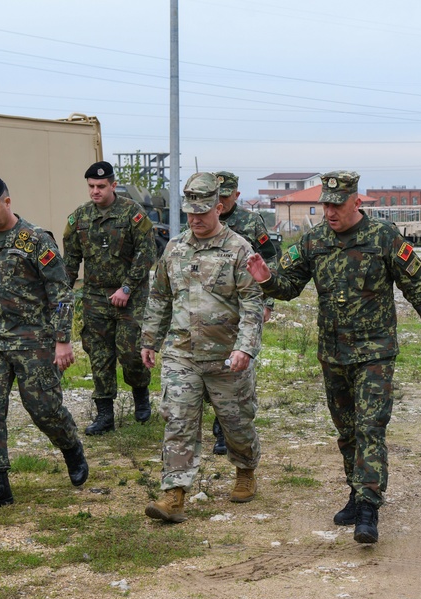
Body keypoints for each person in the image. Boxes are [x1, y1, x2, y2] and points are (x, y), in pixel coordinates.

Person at [246, 170, 421, 544]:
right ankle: (356, 494)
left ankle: (369, 507)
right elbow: (289, 286)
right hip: (333, 352)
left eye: (336, 204)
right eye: (325, 204)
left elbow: (415, 285)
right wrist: (265, 279)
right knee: (347, 429)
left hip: (374, 351)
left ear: (356, 202)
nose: (329, 211)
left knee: (370, 425)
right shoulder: (314, 241)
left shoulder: (383, 238)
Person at [141, 172, 264, 523]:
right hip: (183, 354)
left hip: (228, 357)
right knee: (178, 422)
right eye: (190, 212)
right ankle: (173, 495)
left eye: (202, 212)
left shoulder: (239, 249)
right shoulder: (174, 249)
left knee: (236, 424)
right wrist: (149, 339)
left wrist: (245, 348)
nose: (195, 219)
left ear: (219, 208)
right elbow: (160, 297)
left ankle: (245, 469)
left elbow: (253, 304)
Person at [0, 175, 88, 511]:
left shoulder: (35, 240)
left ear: (7, 201)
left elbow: (60, 293)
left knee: (43, 408)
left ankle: (71, 447)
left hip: (33, 343)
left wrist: (63, 340)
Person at [63, 161, 156, 436]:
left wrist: (126, 288)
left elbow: (146, 252)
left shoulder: (132, 213)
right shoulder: (79, 218)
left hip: (130, 296)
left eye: (101, 186)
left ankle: (141, 395)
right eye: (91, 186)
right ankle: (105, 415)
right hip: (95, 297)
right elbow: (70, 260)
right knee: (99, 355)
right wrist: (62, 293)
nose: (95, 191)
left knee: (130, 353)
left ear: (113, 185)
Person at [205, 171, 279, 455]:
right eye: (217, 196)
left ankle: (223, 429)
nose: (221, 201)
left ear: (236, 195)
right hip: (210, 305)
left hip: (243, 304)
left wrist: (268, 303)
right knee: (211, 362)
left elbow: (269, 258)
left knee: (235, 368)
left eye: (226, 196)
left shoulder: (250, 221)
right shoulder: (204, 220)